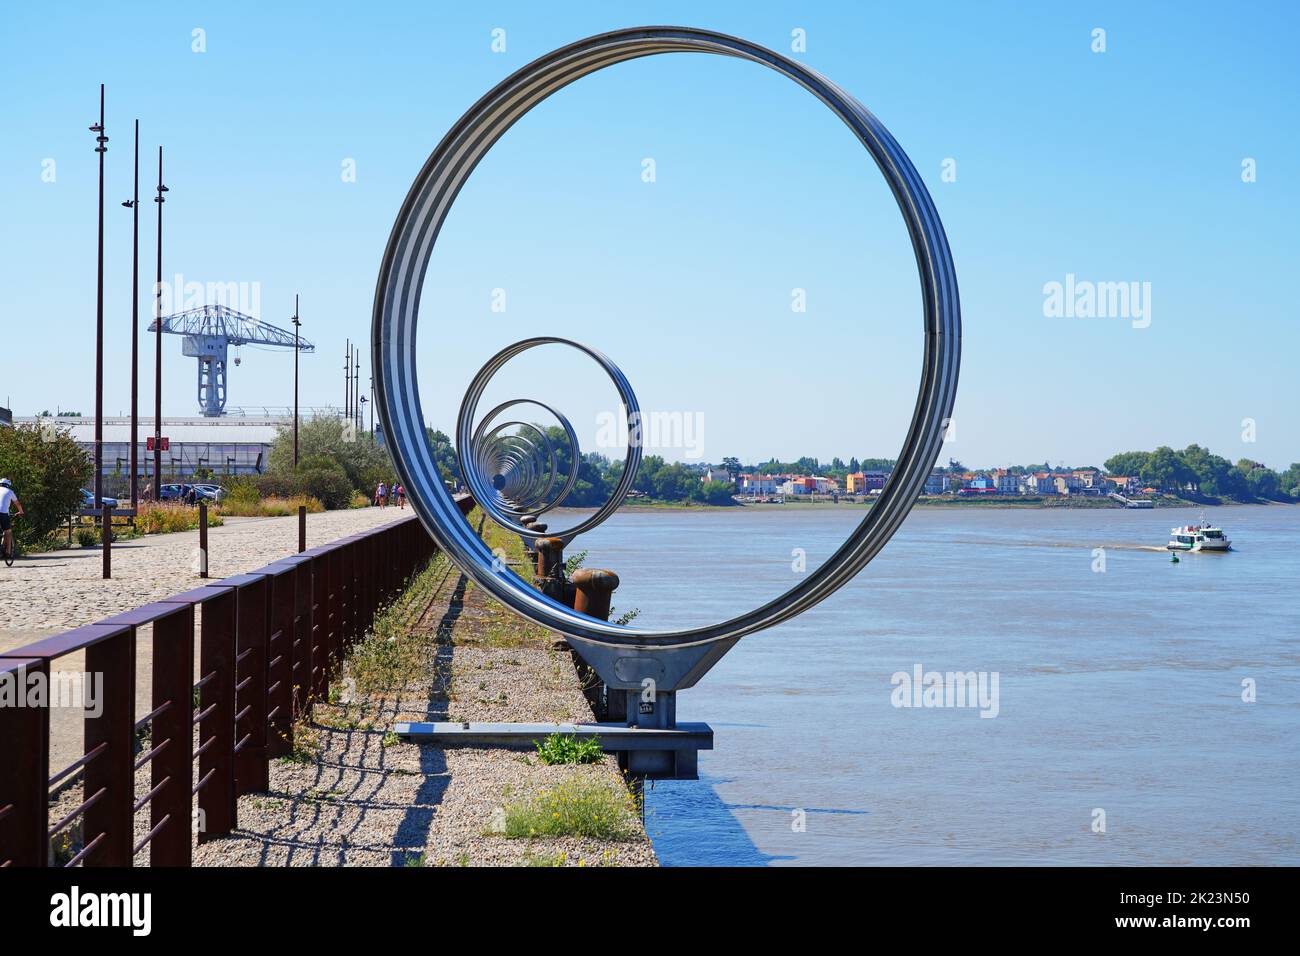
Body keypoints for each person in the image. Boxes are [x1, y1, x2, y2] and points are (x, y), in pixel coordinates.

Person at [0, 479, 25, 558]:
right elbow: (17, 503)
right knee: (8, 532)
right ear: (8, 485)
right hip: (3, 514)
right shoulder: (10, 492)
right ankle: (8, 552)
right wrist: (21, 512)